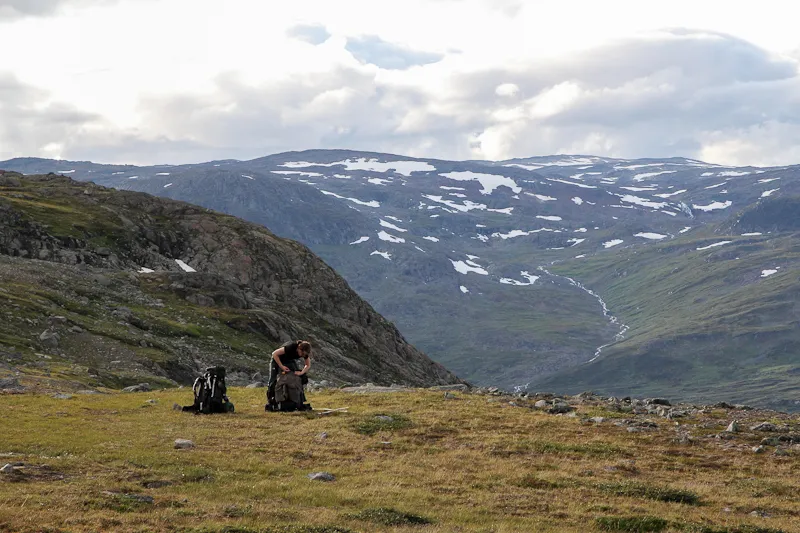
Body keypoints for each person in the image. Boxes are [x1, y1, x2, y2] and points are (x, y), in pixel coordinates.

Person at [266, 340, 312, 411]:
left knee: (297, 377)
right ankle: (271, 401)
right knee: (273, 380)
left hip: (289, 360)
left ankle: (299, 400)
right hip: (277, 359)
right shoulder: (291, 347)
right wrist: (281, 366)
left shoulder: (304, 353)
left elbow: (307, 365)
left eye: (304, 355)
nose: (301, 355)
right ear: (299, 348)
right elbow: (274, 354)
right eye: (301, 353)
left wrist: (301, 372)